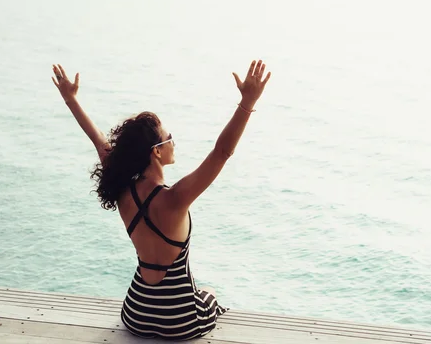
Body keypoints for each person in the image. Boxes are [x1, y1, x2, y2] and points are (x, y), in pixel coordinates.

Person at [51, 60, 271, 340]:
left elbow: (97, 140)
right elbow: (222, 152)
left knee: (199, 293)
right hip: (180, 322)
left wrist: (71, 100)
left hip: (135, 313)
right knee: (210, 293)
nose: (173, 142)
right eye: (170, 138)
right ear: (156, 152)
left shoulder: (121, 189)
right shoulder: (176, 198)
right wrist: (248, 103)